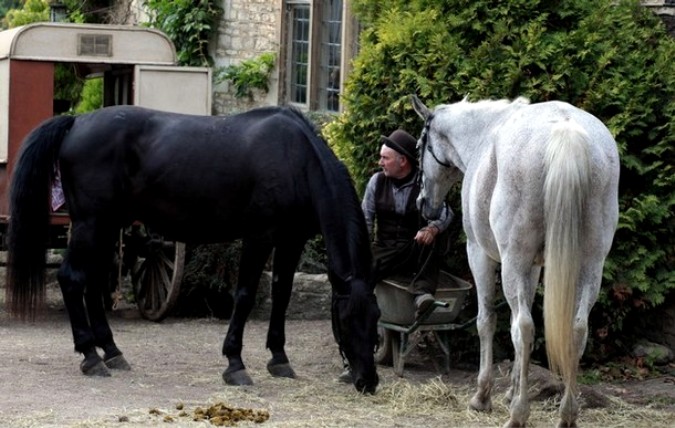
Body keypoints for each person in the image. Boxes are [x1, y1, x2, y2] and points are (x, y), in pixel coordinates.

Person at [338, 129, 453, 383]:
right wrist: (358, 257)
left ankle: (423, 294)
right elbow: (364, 221)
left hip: (415, 248)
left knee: (433, 238)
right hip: (385, 249)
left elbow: (446, 213)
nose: (380, 162)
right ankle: (354, 360)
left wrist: (432, 228)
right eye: (381, 158)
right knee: (356, 288)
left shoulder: (424, 184)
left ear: (403, 160)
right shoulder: (376, 182)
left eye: (385, 158)